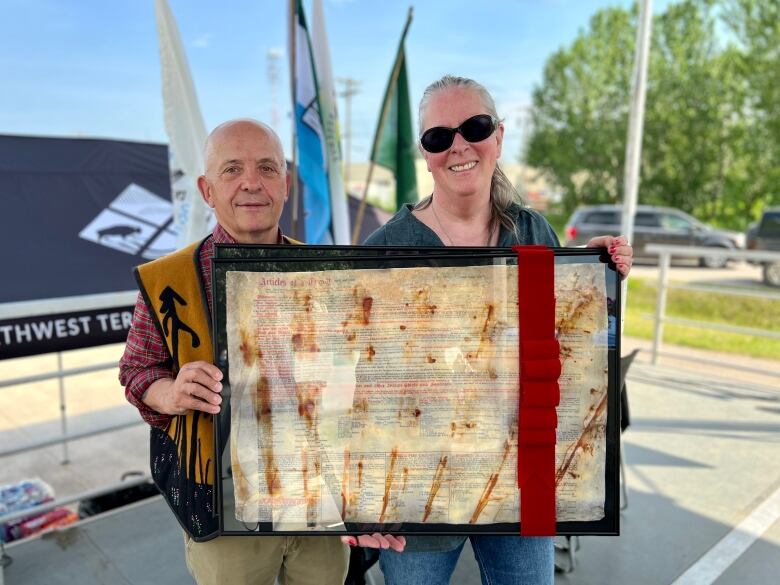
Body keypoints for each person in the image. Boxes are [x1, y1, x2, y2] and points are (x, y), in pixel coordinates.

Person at [356, 75, 634, 585]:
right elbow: (360, 388)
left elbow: (569, 349)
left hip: (520, 482)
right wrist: (359, 498)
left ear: (499, 136)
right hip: (420, 498)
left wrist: (589, 275)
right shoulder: (385, 247)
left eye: (474, 127)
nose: (458, 145)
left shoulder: (532, 232)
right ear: (425, 153)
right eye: (438, 137)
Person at [119, 119, 351, 585]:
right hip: (224, 511)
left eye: (267, 167)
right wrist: (171, 393)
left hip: (319, 503)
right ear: (206, 190)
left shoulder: (329, 271)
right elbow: (137, 372)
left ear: (285, 185)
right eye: (232, 170)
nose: (251, 182)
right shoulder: (170, 279)